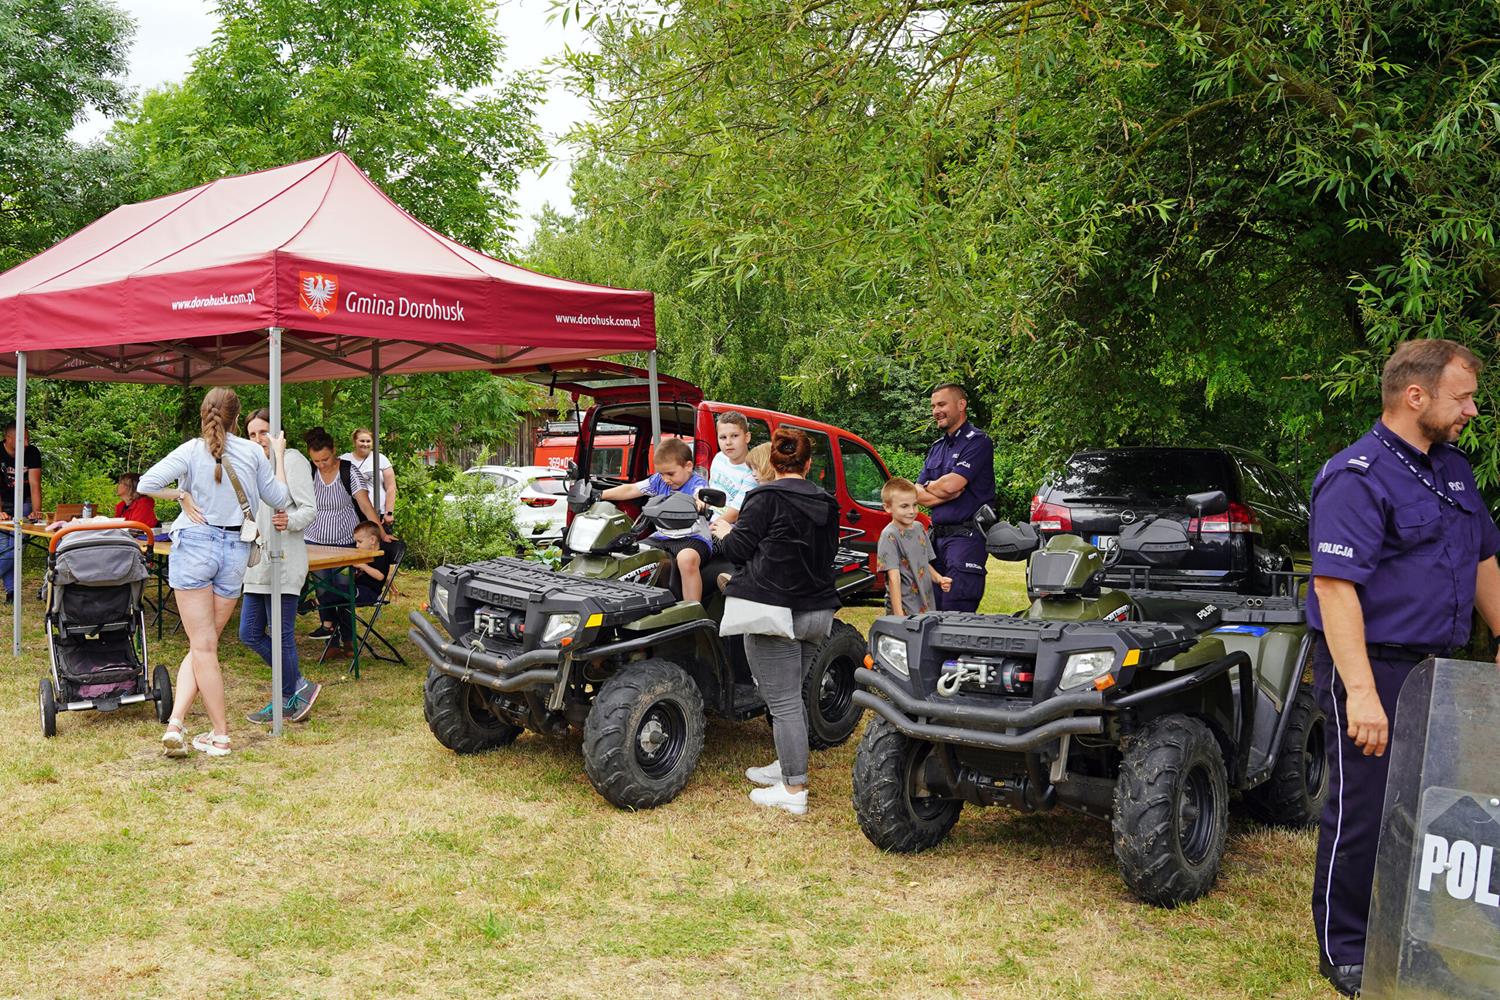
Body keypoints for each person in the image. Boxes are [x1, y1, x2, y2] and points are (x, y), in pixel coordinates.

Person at [1306, 338, 1500, 998]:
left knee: (1428, 809)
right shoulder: (1356, 476)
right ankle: (1347, 949)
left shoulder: (1453, 471)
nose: (1472, 410)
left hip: (1440, 673)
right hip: (1375, 667)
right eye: (1462, 397)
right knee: (1366, 811)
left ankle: (1407, 939)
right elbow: (1335, 588)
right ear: (1415, 395)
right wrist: (1361, 694)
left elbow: (1482, 558)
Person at [139, 388, 290, 758]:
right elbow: (280, 499)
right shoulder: (253, 452)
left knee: (202, 645)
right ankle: (176, 722)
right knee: (203, 644)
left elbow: (146, 484)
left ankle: (220, 735)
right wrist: (279, 456)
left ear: (204, 414)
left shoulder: (192, 450)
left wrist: (181, 496)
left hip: (195, 546)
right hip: (235, 550)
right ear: (237, 418)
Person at [711, 427, 841, 815]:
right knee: (789, 696)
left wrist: (724, 530)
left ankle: (793, 788)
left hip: (775, 611)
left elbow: (737, 551)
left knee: (781, 700)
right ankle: (786, 764)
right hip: (818, 611)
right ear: (809, 464)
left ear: (773, 462)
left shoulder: (763, 497)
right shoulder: (827, 502)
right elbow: (828, 552)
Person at [239, 409, 320, 725]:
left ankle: (286, 699)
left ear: (277, 434)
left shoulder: (293, 460)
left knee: (282, 634)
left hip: (284, 560)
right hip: (256, 563)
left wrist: (290, 521)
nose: (258, 439)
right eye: (252, 434)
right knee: (249, 633)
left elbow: (308, 509)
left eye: (263, 432)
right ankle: (298, 685)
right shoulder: (250, 466)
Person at [303, 426, 389, 657]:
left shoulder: (348, 471)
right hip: (314, 540)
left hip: (345, 541)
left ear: (334, 451)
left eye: (325, 459)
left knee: (343, 589)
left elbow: (365, 506)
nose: (321, 464)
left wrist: (381, 533)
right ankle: (331, 642)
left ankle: (349, 640)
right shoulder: (308, 471)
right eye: (316, 460)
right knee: (323, 589)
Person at [915, 383, 995, 613]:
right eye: (933, 406)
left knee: (956, 612)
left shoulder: (978, 442)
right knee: (929, 612)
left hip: (965, 540)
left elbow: (953, 485)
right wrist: (942, 490)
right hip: (936, 542)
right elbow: (917, 493)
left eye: (941, 404)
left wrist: (939, 488)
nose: (936, 411)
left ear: (961, 405)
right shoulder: (937, 448)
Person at [601, 438, 712, 603]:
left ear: (688, 466)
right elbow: (631, 489)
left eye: (671, 474)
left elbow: (701, 494)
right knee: (633, 555)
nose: (665, 479)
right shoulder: (659, 481)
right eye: (661, 474)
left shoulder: (696, 483)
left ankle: (693, 607)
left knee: (686, 560)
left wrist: (700, 503)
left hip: (693, 538)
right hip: (662, 536)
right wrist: (600, 495)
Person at [877, 477, 952, 615]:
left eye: (915, 505)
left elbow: (923, 563)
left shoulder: (919, 528)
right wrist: (898, 615)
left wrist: (939, 578)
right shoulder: (889, 535)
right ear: (887, 507)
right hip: (905, 607)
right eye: (904, 506)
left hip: (926, 603)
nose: (912, 511)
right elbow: (893, 578)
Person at [0, 419, 43, 602]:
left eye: (27, 438)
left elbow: (35, 485)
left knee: (16, 546)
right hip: (3, 503)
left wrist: (36, 511)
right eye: (22, 439)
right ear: (8, 438)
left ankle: (12, 592)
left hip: (23, 502)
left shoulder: (32, 452)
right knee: (5, 547)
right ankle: (11, 592)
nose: (26, 443)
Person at [708, 412, 758, 525]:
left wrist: (710, 528)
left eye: (735, 436)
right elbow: (711, 490)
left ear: (747, 437)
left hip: (728, 526)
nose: (728, 442)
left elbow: (735, 513)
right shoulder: (719, 458)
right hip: (707, 518)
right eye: (723, 437)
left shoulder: (753, 471)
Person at [342, 428, 396, 529]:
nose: (365, 444)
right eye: (362, 441)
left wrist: (389, 512)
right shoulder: (344, 459)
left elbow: (391, 487)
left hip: (377, 512)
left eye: (368, 441)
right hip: (350, 514)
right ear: (354, 442)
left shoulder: (381, 459)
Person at [350, 520, 393, 605]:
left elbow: (380, 576)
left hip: (369, 593)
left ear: (372, 540)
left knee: (339, 591)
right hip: (357, 589)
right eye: (356, 542)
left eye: (360, 541)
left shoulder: (381, 555)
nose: (357, 545)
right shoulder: (366, 554)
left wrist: (363, 566)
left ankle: (321, 603)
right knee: (335, 590)